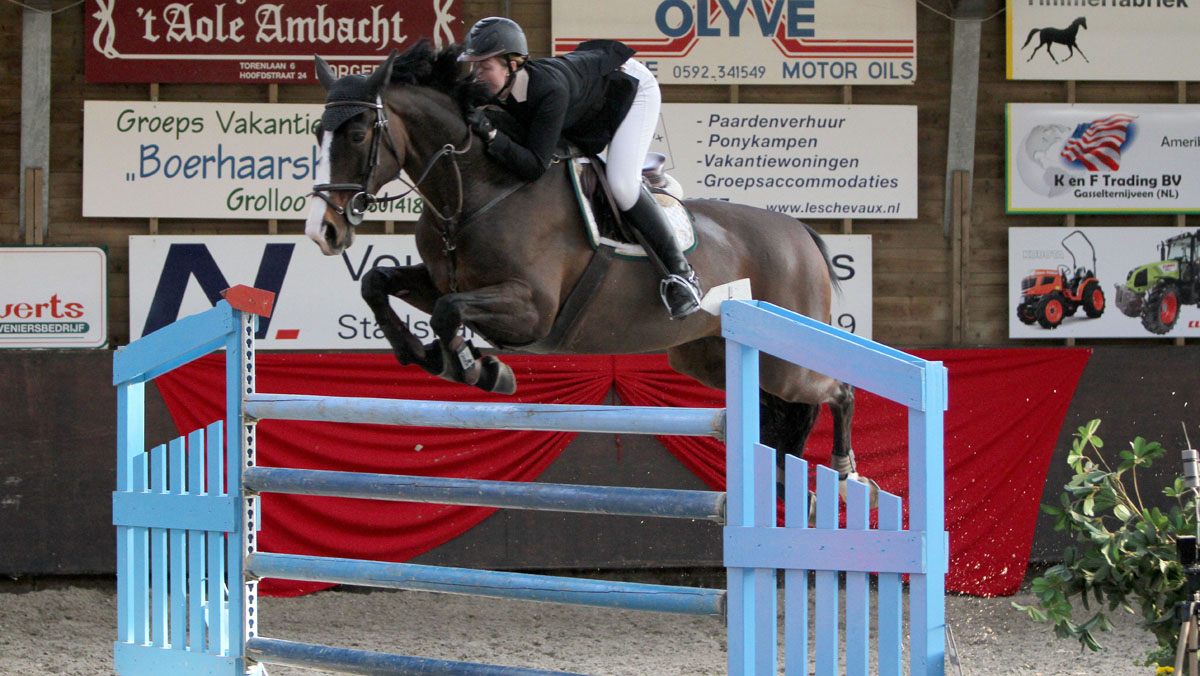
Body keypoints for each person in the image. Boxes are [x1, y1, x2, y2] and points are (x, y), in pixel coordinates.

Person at [458, 17, 702, 320]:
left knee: (622, 186)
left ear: (512, 64)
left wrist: (492, 136)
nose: (476, 76)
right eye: (474, 66)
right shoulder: (498, 86)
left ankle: (681, 276)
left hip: (629, 88)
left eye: (485, 67)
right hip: (584, 100)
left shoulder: (549, 91)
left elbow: (534, 165)